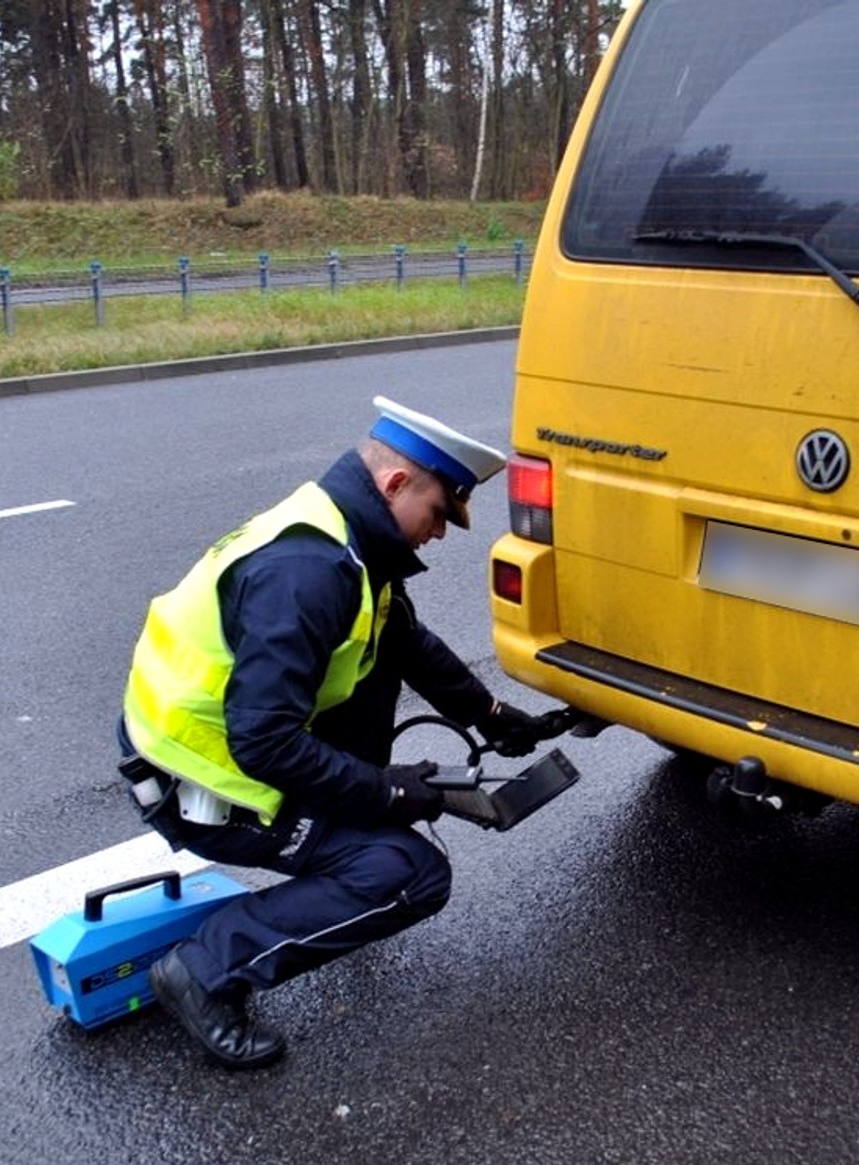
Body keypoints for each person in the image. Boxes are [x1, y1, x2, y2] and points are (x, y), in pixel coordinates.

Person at [118, 396, 559, 1069]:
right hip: (200, 777)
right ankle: (205, 968)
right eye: (439, 513)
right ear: (395, 484)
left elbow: (403, 639)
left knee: (376, 671)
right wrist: (387, 794)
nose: (439, 533)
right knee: (407, 872)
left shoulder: (346, 538)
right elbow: (263, 742)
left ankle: (344, 841)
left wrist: (489, 717)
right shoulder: (309, 572)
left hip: (227, 744)